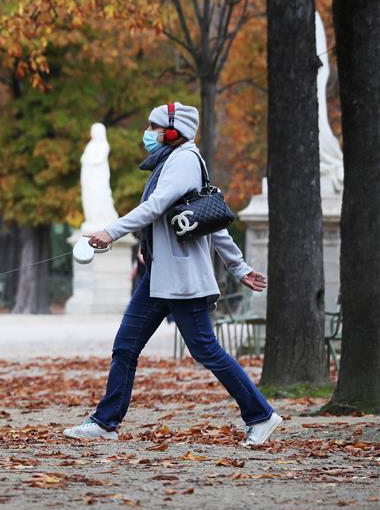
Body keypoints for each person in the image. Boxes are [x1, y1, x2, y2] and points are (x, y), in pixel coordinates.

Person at [64, 101, 281, 447]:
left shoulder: (183, 161)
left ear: (172, 131)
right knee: (126, 346)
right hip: (159, 276)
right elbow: (210, 219)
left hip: (181, 280)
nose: (147, 133)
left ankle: (261, 415)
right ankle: (106, 422)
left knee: (206, 350)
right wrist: (237, 266)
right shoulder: (169, 161)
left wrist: (111, 232)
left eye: (153, 127)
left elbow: (157, 207)